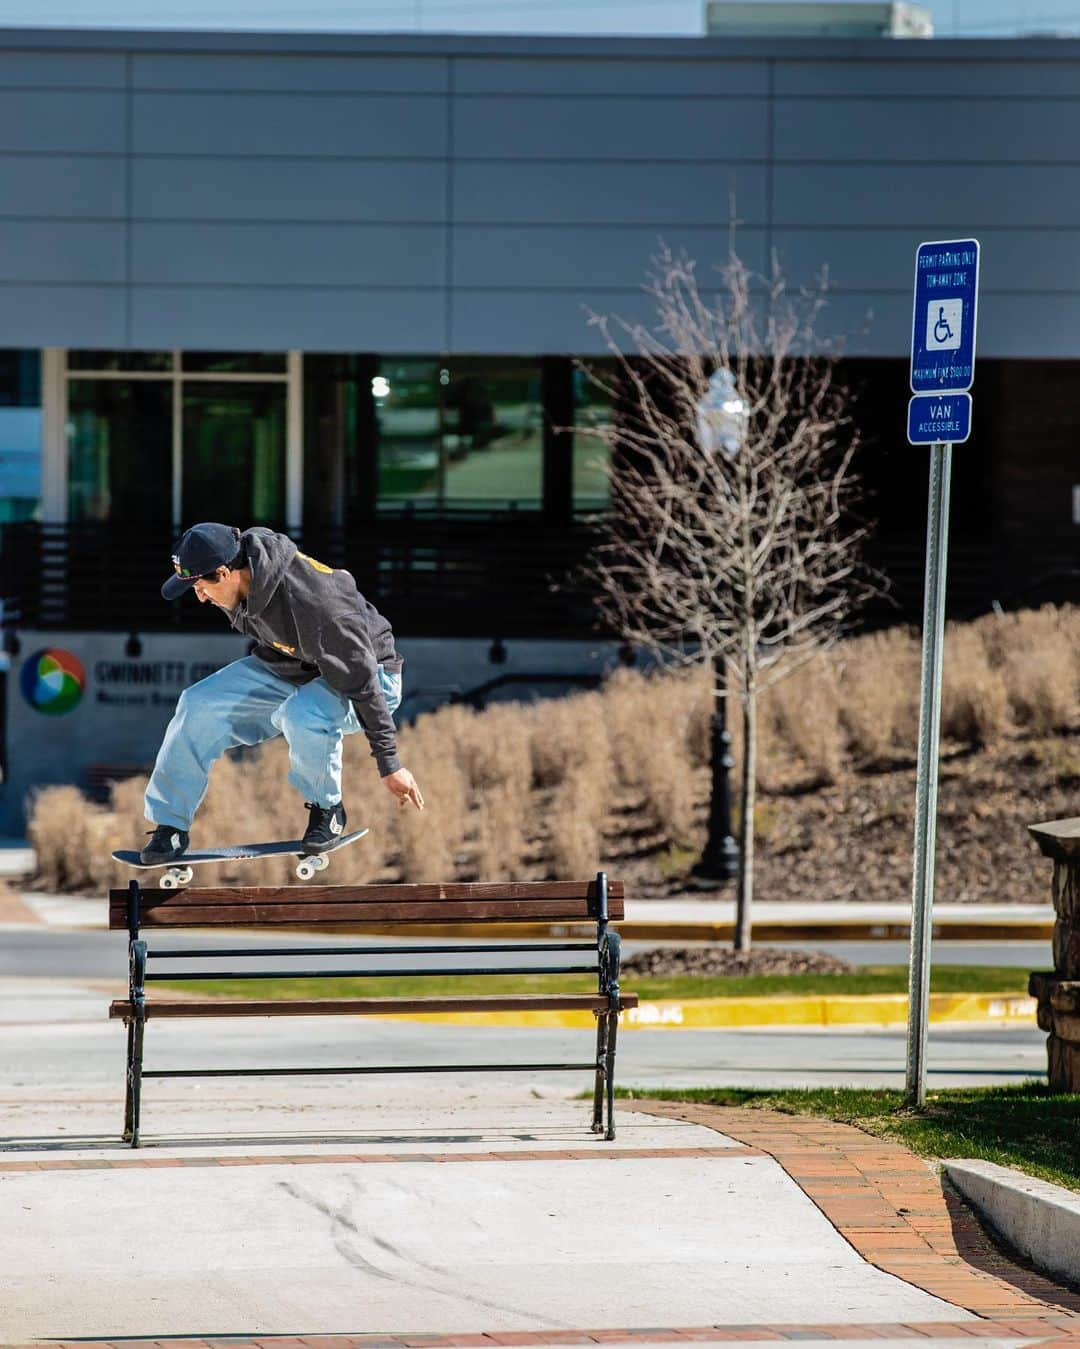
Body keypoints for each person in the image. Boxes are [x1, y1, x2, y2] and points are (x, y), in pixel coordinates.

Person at [139, 522, 424, 864]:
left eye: (200, 587)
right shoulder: (241, 579)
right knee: (198, 704)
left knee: (302, 713)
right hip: (295, 668)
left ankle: (327, 811)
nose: (200, 597)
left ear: (225, 573)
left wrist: (390, 764)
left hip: (370, 678)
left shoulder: (318, 603)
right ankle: (170, 827)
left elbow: (363, 683)